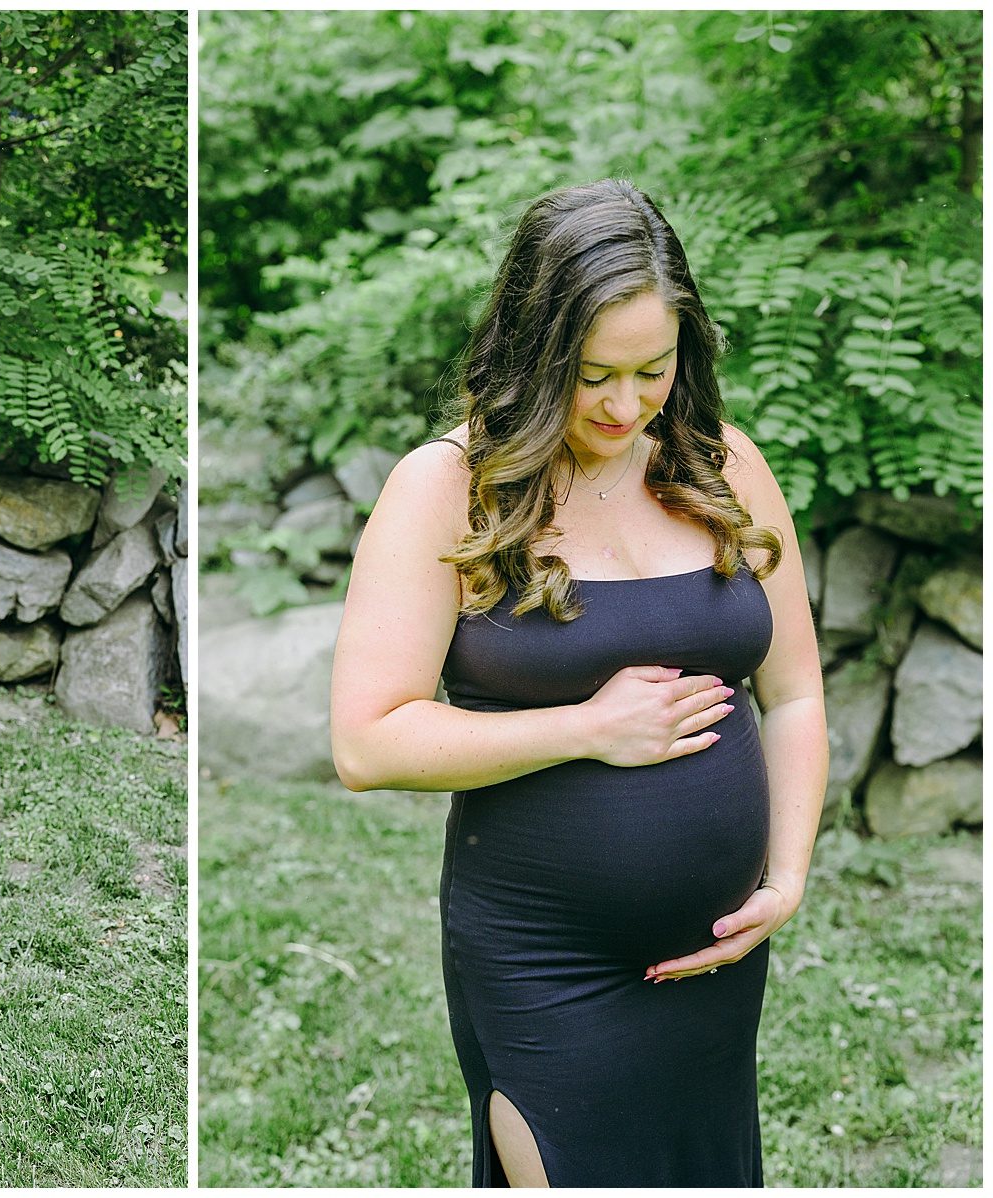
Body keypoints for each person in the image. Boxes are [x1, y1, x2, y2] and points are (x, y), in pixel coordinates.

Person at [330, 179, 828, 1186]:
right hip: (544, 962)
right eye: (592, 373)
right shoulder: (446, 489)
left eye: (652, 369)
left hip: (716, 959)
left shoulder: (723, 467)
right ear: (534, 350)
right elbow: (365, 741)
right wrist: (589, 726)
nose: (620, 404)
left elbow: (800, 693)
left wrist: (784, 875)